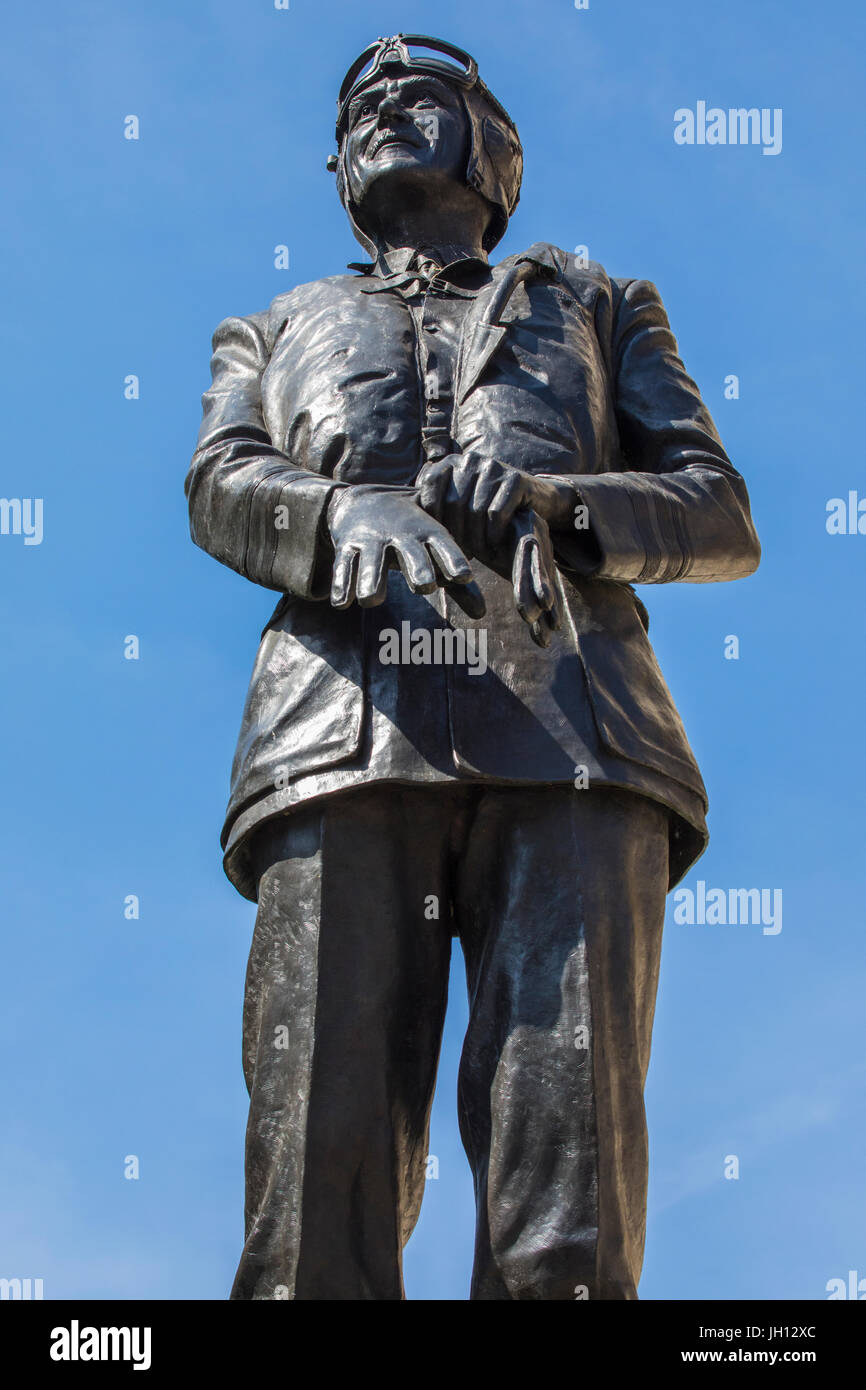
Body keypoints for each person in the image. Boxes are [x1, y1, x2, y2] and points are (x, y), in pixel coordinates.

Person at [185, 34, 761, 1300]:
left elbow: (716, 512)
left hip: (577, 735)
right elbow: (221, 481)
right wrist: (348, 516)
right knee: (308, 1200)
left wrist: (557, 502)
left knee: (567, 1205)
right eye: (361, 109)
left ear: (491, 151)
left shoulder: (602, 307)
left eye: (421, 97)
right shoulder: (271, 326)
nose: (384, 110)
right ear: (337, 167)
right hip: (336, 734)